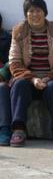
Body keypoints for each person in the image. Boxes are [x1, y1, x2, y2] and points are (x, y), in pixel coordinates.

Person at [0, 0, 53, 147]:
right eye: (31, 11)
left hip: (50, 79)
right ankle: (18, 130)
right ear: (25, 14)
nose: (35, 14)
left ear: (45, 12)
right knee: (19, 84)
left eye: (38, 10)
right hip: (28, 80)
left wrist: (47, 78)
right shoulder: (19, 32)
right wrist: (33, 79)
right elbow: (14, 63)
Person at [0, 12, 12, 145]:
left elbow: (13, 60)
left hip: (3, 76)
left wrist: (3, 72)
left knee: (2, 88)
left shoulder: (7, 38)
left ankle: (4, 129)